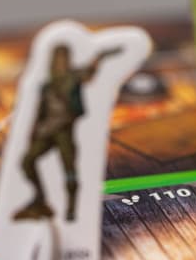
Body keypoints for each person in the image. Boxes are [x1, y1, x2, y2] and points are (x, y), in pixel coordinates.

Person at [13, 44, 120, 221]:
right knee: (27, 161)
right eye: (58, 59)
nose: (60, 63)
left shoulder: (73, 77)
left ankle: (72, 209)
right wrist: (33, 131)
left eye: (64, 58)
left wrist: (100, 57)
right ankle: (40, 199)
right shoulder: (47, 86)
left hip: (64, 131)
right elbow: (41, 111)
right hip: (46, 131)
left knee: (69, 169)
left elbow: (88, 73)